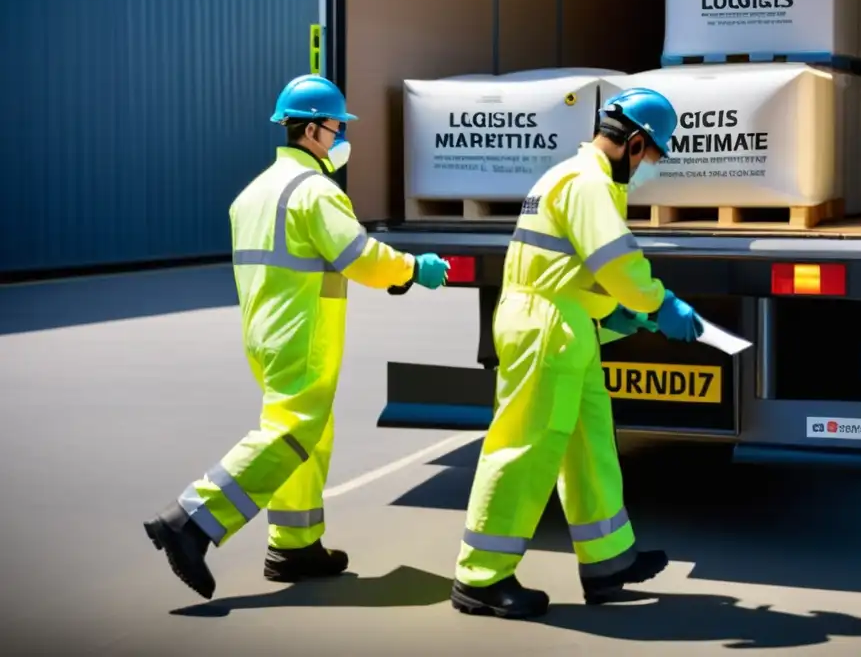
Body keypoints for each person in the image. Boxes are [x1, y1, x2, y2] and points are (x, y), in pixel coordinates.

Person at [143, 74, 451, 600]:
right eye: (334, 129)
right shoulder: (314, 192)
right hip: (304, 333)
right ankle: (191, 521)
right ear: (311, 131)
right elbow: (361, 258)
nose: (338, 140)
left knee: (308, 434)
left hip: (264, 333)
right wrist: (411, 269)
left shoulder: (252, 194)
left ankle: (294, 546)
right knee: (290, 436)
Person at [450, 88, 704, 619]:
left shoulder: (571, 177)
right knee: (524, 448)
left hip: (564, 320)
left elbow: (568, 264)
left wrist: (606, 311)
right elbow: (619, 262)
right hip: (547, 326)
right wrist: (660, 304)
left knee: (590, 443)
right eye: (653, 156)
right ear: (634, 143)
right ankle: (481, 576)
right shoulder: (588, 183)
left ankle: (608, 560)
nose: (650, 168)